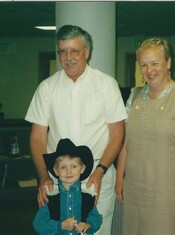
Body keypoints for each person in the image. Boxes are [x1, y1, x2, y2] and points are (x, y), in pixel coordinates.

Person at [25, 25, 127, 235]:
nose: (68, 57)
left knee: (96, 230)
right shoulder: (47, 88)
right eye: (62, 51)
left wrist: (100, 172)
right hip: (58, 176)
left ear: (87, 52)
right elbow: (37, 137)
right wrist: (43, 176)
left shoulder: (106, 84)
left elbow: (117, 133)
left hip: (97, 175)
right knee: (57, 229)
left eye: (74, 51)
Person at [115, 38, 175, 235]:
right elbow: (125, 142)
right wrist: (119, 178)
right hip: (135, 190)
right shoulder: (134, 95)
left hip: (168, 194)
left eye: (155, 63)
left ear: (168, 63)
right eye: (144, 65)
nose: (150, 70)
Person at [33, 138, 102, 235]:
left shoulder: (87, 194)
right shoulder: (51, 195)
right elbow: (38, 223)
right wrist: (60, 226)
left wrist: (88, 224)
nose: (68, 171)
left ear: (82, 168)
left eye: (74, 166)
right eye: (63, 167)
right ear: (56, 171)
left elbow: (96, 217)